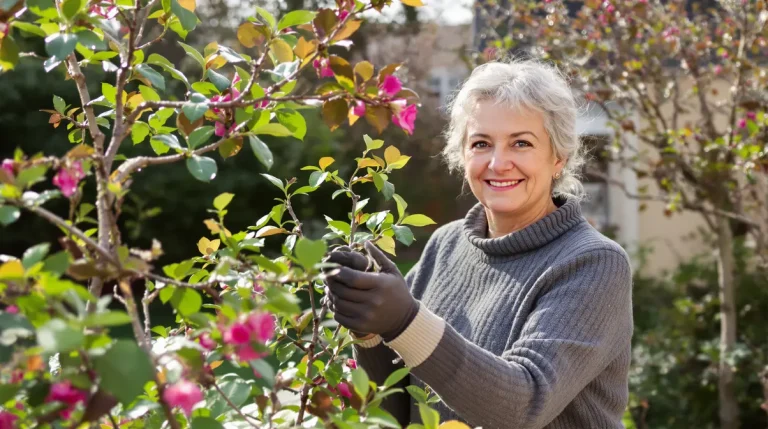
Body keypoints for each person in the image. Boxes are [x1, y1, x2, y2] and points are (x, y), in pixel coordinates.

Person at [324, 59, 634, 429]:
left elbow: (521, 407)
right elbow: (396, 411)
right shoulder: (446, 245)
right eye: (481, 143)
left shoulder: (593, 263)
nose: (499, 163)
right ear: (463, 155)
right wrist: (370, 328)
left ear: (558, 158)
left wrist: (406, 320)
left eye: (521, 143)